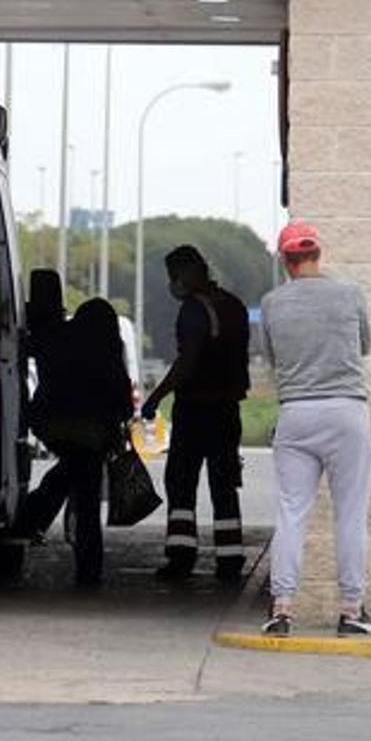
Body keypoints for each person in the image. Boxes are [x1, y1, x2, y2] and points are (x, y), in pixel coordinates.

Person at [257, 221, 371, 637]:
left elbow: (269, 357)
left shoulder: (272, 304)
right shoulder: (348, 293)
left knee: (291, 512)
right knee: (350, 515)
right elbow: (364, 345)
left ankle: (282, 609)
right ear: (318, 254)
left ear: (286, 260)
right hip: (347, 410)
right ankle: (351, 611)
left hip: (296, 413)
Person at [141, 245, 250, 582]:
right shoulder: (233, 305)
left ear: (189, 272)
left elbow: (187, 362)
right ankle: (230, 561)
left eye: (174, 275)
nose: (173, 283)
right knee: (224, 484)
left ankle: (181, 558)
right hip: (227, 410)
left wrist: (155, 397)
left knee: (181, 482)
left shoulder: (193, 310)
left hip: (196, 409)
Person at [21, 298, 134, 587]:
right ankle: (88, 568)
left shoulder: (58, 339)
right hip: (91, 432)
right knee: (87, 502)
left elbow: (31, 346)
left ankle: (29, 518)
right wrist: (123, 420)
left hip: (53, 426)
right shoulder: (107, 347)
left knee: (68, 472)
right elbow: (120, 391)